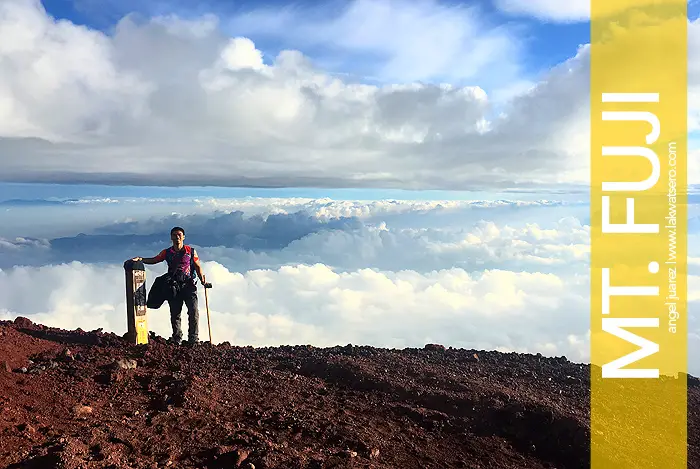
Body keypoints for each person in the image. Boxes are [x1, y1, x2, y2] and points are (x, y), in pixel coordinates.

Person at [131, 226, 206, 345]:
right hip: (174, 287)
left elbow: (197, 266)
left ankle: (193, 339)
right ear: (171, 237)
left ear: (184, 237)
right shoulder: (167, 252)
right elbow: (155, 259)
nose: (177, 237)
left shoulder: (190, 251)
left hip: (188, 285)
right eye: (174, 235)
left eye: (179, 235)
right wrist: (141, 259)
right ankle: (177, 338)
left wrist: (203, 280)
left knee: (193, 311)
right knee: (175, 313)